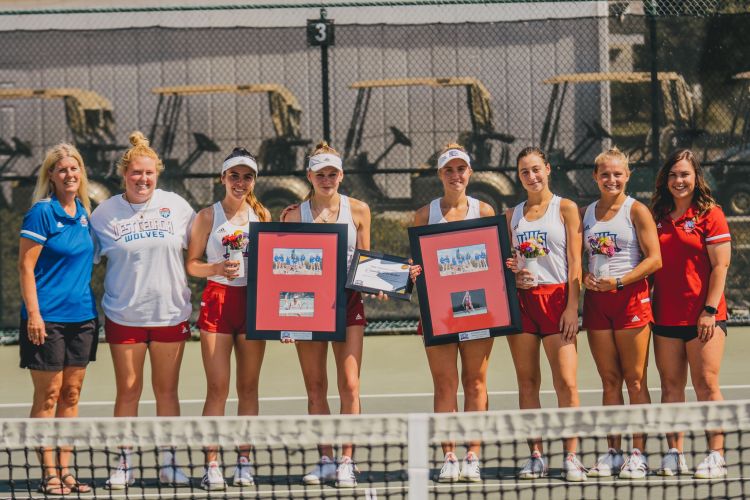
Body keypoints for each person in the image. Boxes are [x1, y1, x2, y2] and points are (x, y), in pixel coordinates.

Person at [90, 132, 196, 489]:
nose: (143, 179)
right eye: (136, 173)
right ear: (124, 174)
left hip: (170, 315)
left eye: (149, 173)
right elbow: (83, 259)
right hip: (124, 317)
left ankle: (169, 463)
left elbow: (201, 252)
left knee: (167, 392)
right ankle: (124, 464)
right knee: (129, 392)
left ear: (157, 174)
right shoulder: (104, 214)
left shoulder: (178, 207)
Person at [280, 141, 372, 488]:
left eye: (333, 173)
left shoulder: (359, 211)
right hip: (306, 309)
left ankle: (347, 460)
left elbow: (365, 262)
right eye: (321, 174)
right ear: (310, 176)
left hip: (348, 305)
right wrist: (284, 321)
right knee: (316, 387)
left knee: (349, 384)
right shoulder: (292, 215)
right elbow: (283, 272)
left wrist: (381, 281)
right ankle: (325, 459)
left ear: (341, 175)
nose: (327, 179)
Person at [410, 143, 495, 483]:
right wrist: (412, 271)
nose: (455, 175)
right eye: (449, 170)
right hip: (439, 312)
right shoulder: (423, 215)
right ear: (440, 175)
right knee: (445, 384)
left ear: (469, 173)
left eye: (461, 169)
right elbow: (416, 263)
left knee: (475, 382)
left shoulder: (485, 210)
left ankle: (472, 454)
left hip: (477, 310)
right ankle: (449, 455)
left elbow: (495, 259)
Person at [186, 148, 270, 490]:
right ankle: (213, 464)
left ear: (253, 181)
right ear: (222, 178)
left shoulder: (261, 216)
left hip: (252, 304)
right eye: (233, 175)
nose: (240, 182)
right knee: (217, 387)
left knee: (248, 388)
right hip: (218, 302)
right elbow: (192, 263)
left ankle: (244, 462)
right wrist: (217, 268)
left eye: (246, 176)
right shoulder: (207, 216)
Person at [18, 144, 97, 495]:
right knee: (48, 397)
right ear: (50, 175)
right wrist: (34, 314)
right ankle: (48, 473)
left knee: (72, 394)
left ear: (81, 174)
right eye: (62, 169)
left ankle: (66, 472)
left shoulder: (84, 212)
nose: (69, 174)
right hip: (46, 319)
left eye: (74, 169)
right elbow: (25, 266)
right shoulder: (42, 213)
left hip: (83, 318)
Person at [506, 147, 586, 482]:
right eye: (525, 172)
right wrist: (512, 271)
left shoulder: (565, 208)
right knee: (528, 383)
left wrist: (572, 306)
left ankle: (571, 456)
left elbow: (576, 262)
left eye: (536, 169)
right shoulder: (512, 214)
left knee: (566, 383)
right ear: (519, 176)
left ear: (548, 169)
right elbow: (509, 259)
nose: (532, 177)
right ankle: (536, 456)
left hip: (557, 302)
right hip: (523, 305)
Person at [650, 149, 732, 479]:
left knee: (706, 385)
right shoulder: (657, 215)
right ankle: (675, 453)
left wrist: (709, 311)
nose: (679, 180)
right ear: (665, 180)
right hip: (665, 318)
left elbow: (720, 266)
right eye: (673, 175)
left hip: (704, 318)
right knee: (671, 387)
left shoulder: (710, 215)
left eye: (684, 174)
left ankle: (716, 455)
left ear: (696, 177)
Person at [581, 148, 661, 478]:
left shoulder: (637, 210)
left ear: (627, 176)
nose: (611, 179)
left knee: (635, 379)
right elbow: (581, 257)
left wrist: (618, 282)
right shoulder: (586, 213)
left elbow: (654, 259)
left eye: (618, 174)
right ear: (595, 177)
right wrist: (586, 277)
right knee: (609, 380)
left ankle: (638, 453)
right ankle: (613, 451)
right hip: (597, 306)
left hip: (630, 301)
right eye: (605, 174)